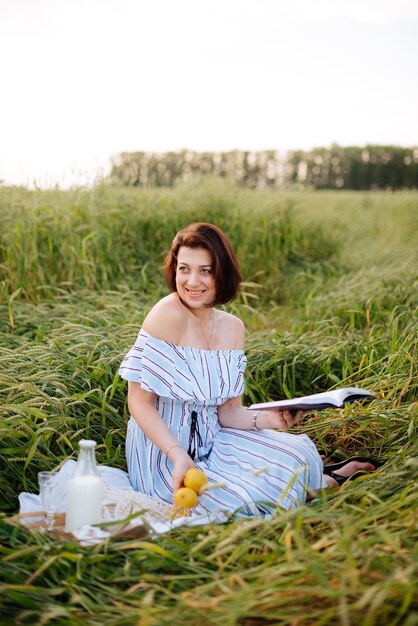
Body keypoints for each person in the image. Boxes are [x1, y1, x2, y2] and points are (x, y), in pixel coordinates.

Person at [118, 223, 376, 517]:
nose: (192, 281)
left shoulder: (232, 328)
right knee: (242, 502)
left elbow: (228, 412)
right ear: (174, 269)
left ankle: (315, 479)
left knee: (298, 453)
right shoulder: (168, 314)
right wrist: (177, 454)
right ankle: (328, 482)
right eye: (184, 269)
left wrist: (271, 420)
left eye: (206, 270)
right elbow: (139, 402)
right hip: (163, 453)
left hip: (213, 441)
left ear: (222, 273)